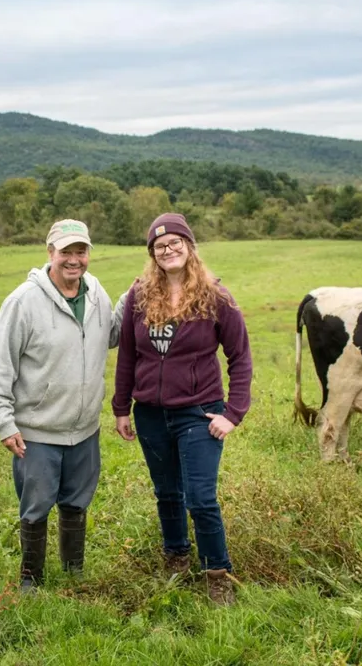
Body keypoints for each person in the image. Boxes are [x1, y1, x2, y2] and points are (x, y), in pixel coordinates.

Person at [112, 213, 252, 605]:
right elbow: (127, 356)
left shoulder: (215, 296)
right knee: (166, 493)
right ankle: (176, 557)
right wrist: (122, 407)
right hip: (151, 413)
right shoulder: (140, 296)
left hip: (199, 412)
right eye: (160, 246)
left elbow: (240, 356)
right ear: (153, 255)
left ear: (189, 247)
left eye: (175, 243)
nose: (168, 250)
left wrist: (233, 412)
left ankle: (217, 574)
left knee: (200, 497)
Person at [0, 218, 123, 592]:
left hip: (85, 428)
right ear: (50, 253)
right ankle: (31, 579)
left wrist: (139, 297)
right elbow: (1, 366)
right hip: (38, 430)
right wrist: (4, 422)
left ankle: (73, 571)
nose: (74, 260)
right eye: (66, 252)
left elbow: (110, 334)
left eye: (81, 252)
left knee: (77, 501)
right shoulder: (22, 302)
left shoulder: (97, 295)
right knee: (37, 505)